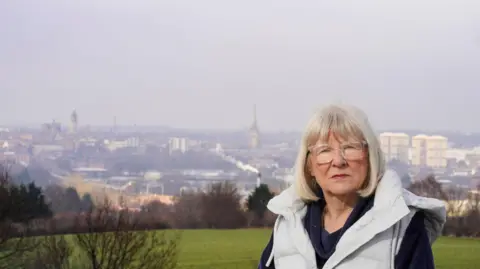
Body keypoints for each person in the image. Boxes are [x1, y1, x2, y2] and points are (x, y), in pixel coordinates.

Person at [258, 104, 446, 269]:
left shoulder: (403, 225)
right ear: (310, 166)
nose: (338, 161)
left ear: (370, 156)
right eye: (324, 150)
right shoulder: (289, 222)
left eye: (350, 147)